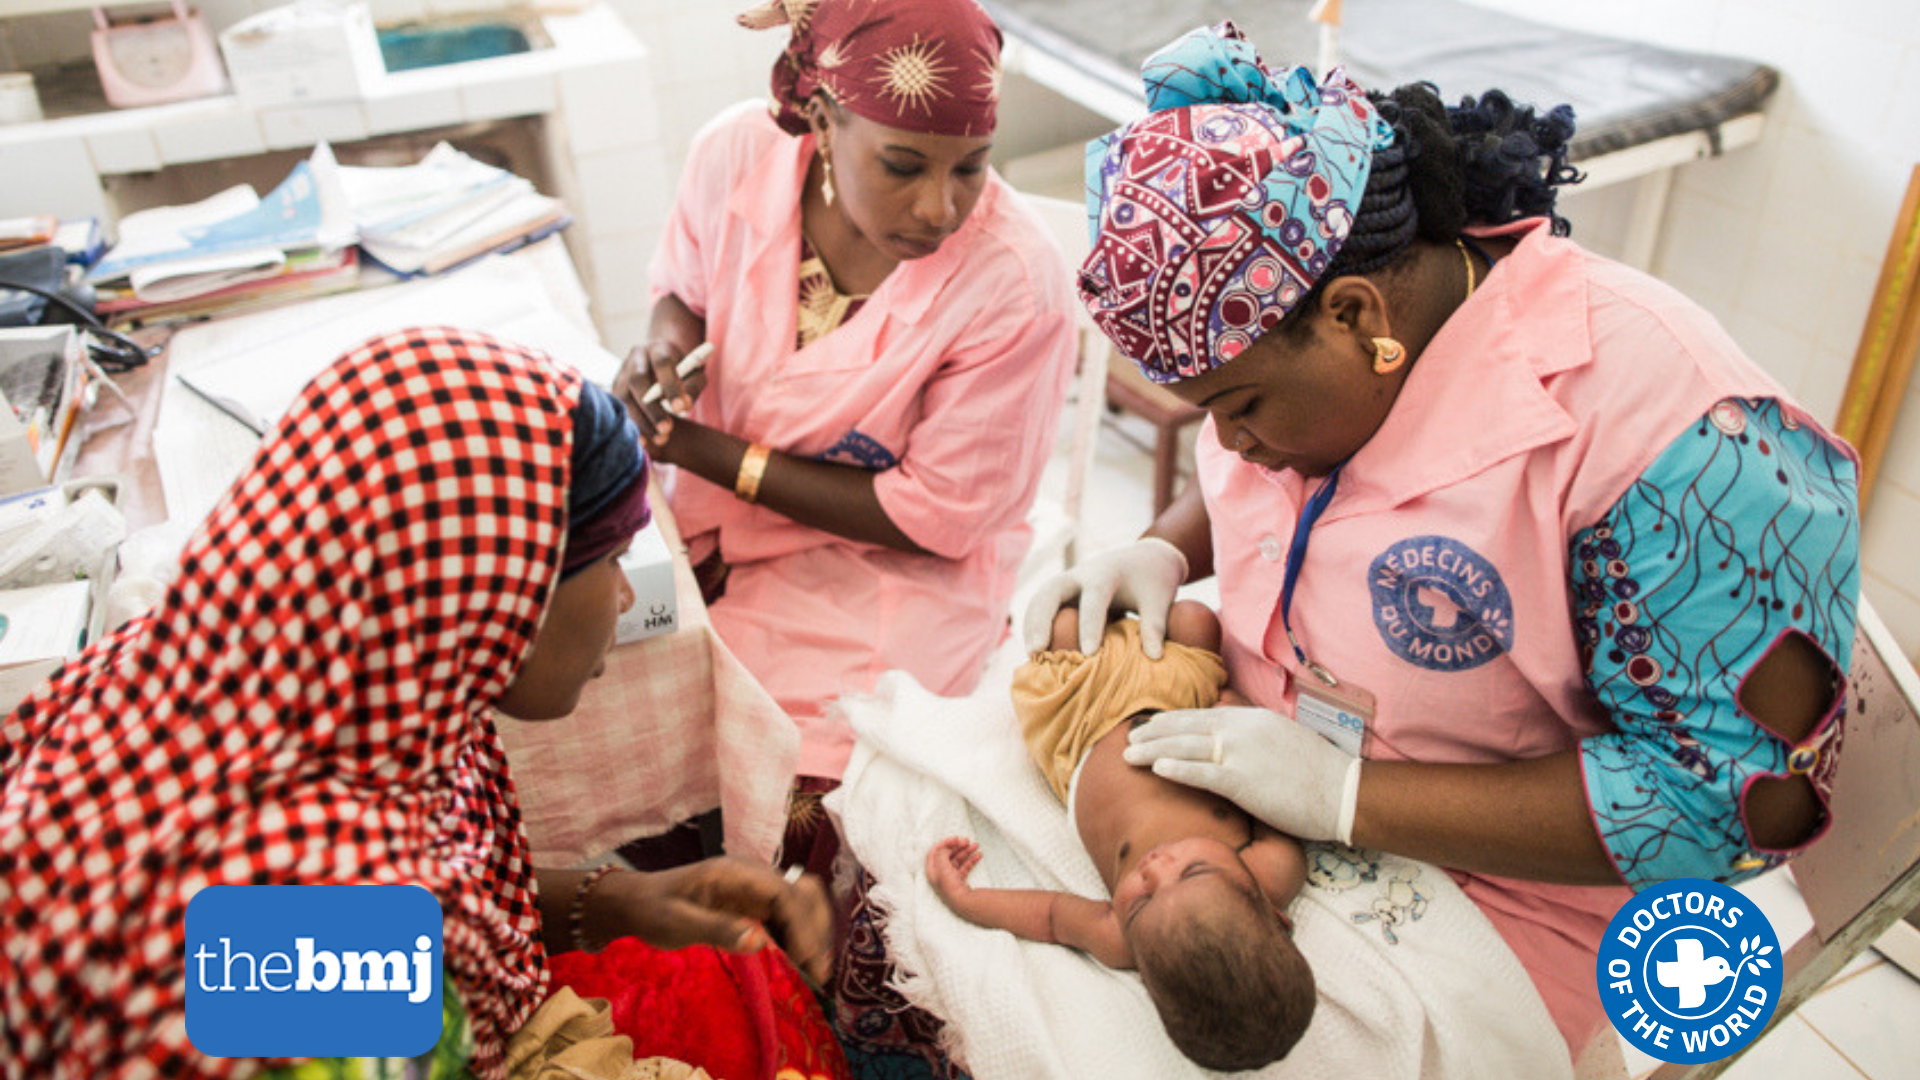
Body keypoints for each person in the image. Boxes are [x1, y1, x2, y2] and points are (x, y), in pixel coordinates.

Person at [1025, 22, 1861, 1064]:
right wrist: (1160, 548)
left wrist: (1346, 797)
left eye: (1238, 406)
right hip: (1260, 767)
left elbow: (1727, 801)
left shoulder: (1678, 443)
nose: (1229, 445)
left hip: (1512, 895)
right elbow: (1298, 487)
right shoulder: (1323, 362)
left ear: (1354, 312)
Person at [0, 327, 834, 1080]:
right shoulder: (319, 919)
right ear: (484, 584)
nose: (624, 598)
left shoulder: (270, 672)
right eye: (609, 559)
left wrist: (609, 901)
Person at [610, 0, 1078, 872]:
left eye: (971, 168)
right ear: (823, 121)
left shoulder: (1014, 281)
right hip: (704, 518)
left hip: (885, 569)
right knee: (612, 726)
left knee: (790, 808)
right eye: (902, 166)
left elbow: (935, 517)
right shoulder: (737, 154)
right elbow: (682, 286)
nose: (939, 208)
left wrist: (702, 450)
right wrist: (665, 354)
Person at [927, 602, 1314, 1071]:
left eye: (1141, 901)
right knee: (1194, 620)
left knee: (1063, 625)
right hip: (1178, 705)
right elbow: (1272, 781)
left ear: (1146, 975)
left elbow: (1050, 916)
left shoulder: (1120, 942)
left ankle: (1104, 608)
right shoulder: (1275, 868)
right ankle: (1127, 593)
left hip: (1082, 726)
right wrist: (1240, 714)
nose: (1155, 868)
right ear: (1272, 913)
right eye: (1193, 870)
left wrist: (967, 900)